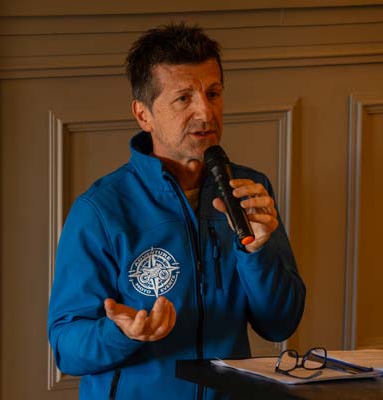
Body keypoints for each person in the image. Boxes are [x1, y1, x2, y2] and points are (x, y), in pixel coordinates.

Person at [48, 23, 306, 400]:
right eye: (184, 98)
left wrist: (258, 251)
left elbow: (280, 324)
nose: (206, 112)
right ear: (144, 115)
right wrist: (121, 333)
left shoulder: (249, 190)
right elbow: (66, 347)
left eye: (213, 93)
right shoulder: (100, 209)